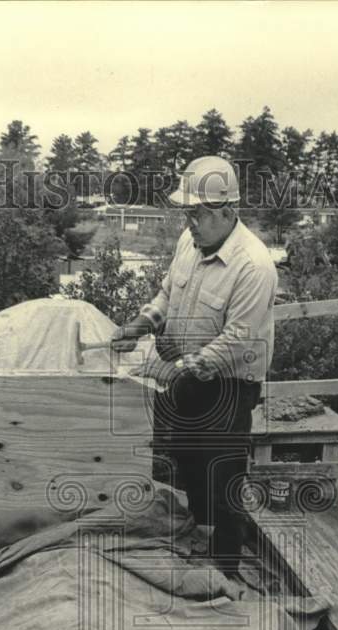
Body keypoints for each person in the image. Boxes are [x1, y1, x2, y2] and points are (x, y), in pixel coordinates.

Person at [112, 156, 278, 578]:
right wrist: (141, 322)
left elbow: (237, 341)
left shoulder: (253, 266)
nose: (190, 222)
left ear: (227, 210)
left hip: (229, 384)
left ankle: (226, 568)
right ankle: (200, 536)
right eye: (187, 211)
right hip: (186, 373)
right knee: (186, 460)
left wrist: (172, 369)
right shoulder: (189, 243)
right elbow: (168, 294)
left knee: (223, 474)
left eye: (199, 213)